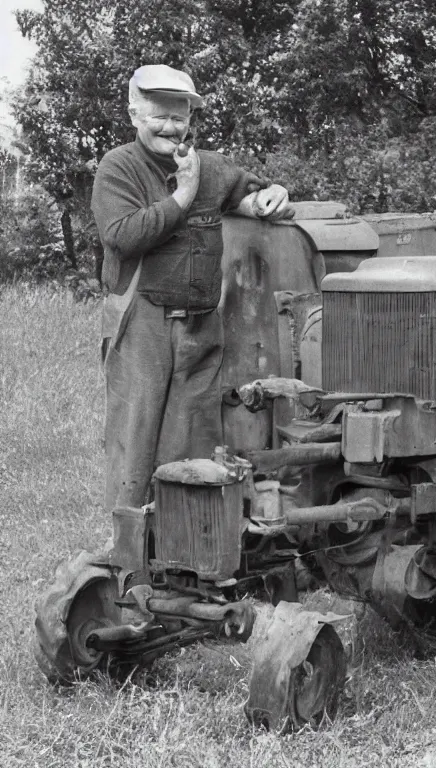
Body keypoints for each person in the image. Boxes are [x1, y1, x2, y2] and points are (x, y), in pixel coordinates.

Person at [92, 64, 293, 510]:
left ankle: (183, 545)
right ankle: (128, 551)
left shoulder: (213, 167)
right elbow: (122, 235)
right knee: (134, 440)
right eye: (158, 116)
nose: (170, 127)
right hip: (141, 324)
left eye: (179, 118)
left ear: (190, 120)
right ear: (134, 116)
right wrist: (183, 194)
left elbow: (246, 193)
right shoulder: (118, 168)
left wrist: (270, 197)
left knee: (193, 439)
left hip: (201, 327)